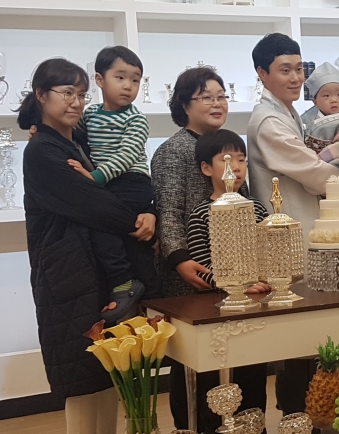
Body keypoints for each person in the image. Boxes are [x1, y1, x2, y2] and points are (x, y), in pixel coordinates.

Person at [18, 58, 156, 434]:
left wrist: (149, 211)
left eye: (81, 94)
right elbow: (93, 203)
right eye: (67, 93)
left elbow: (116, 184)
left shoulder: (77, 143)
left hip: (94, 273)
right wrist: (139, 221)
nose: (76, 102)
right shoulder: (42, 151)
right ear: (41, 95)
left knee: (108, 375)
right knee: (80, 382)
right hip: (68, 278)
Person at [151, 67, 268, 432]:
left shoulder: (229, 146)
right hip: (193, 276)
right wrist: (180, 259)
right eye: (206, 97)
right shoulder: (173, 151)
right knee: (198, 368)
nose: (217, 103)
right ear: (184, 105)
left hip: (239, 278)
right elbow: (168, 211)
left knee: (245, 358)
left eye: (221, 96)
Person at [184, 129, 269, 432]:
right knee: (216, 387)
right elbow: (201, 266)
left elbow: (268, 253)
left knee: (253, 382)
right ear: (206, 168)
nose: (237, 167)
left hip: (256, 308)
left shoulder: (257, 208)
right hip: (216, 310)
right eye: (227, 159)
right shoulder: (200, 214)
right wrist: (235, 284)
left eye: (242, 160)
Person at [67, 45, 158, 321]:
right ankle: (128, 285)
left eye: (135, 80)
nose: (128, 86)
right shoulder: (90, 114)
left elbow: (126, 155)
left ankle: (126, 284)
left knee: (106, 228)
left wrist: (95, 178)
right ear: (99, 80)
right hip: (108, 183)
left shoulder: (136, 119)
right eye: (120, 77)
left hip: (132, 182)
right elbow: (71, 132)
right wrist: (39, 129)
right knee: (110, 235)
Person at [246, 33, 339, 247]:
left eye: (299, 69)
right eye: (285, 70)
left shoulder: (286, 112)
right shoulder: (269, 121)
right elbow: (313, 172)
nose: (296, 78)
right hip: (286, 229)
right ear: (262, 73)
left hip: (300, 219)